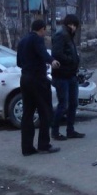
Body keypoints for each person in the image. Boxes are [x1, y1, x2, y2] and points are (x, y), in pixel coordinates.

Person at [16, 19, 60, 156]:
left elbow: (18, 62)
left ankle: (27, 147)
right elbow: (43, 53)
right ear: (42, 29)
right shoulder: (37, 40)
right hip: (38, 80)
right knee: (45, 111)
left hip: (25, 79)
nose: (44, 32)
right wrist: (52, 61)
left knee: (27, 114)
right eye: (44, 30)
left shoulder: (22, 41)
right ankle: (43, 145)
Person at [50, 13, 84, 141]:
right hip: (62, 75)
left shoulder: (68, 35)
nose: (75, 28)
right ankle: (55, 131)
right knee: (63, 104)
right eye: (75, 25)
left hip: (70, 74)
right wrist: (71, 60)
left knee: (73, 103)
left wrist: (75, 59)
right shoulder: (62, 35)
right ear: (71, 25)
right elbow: (57, 54)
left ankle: (70, 130)